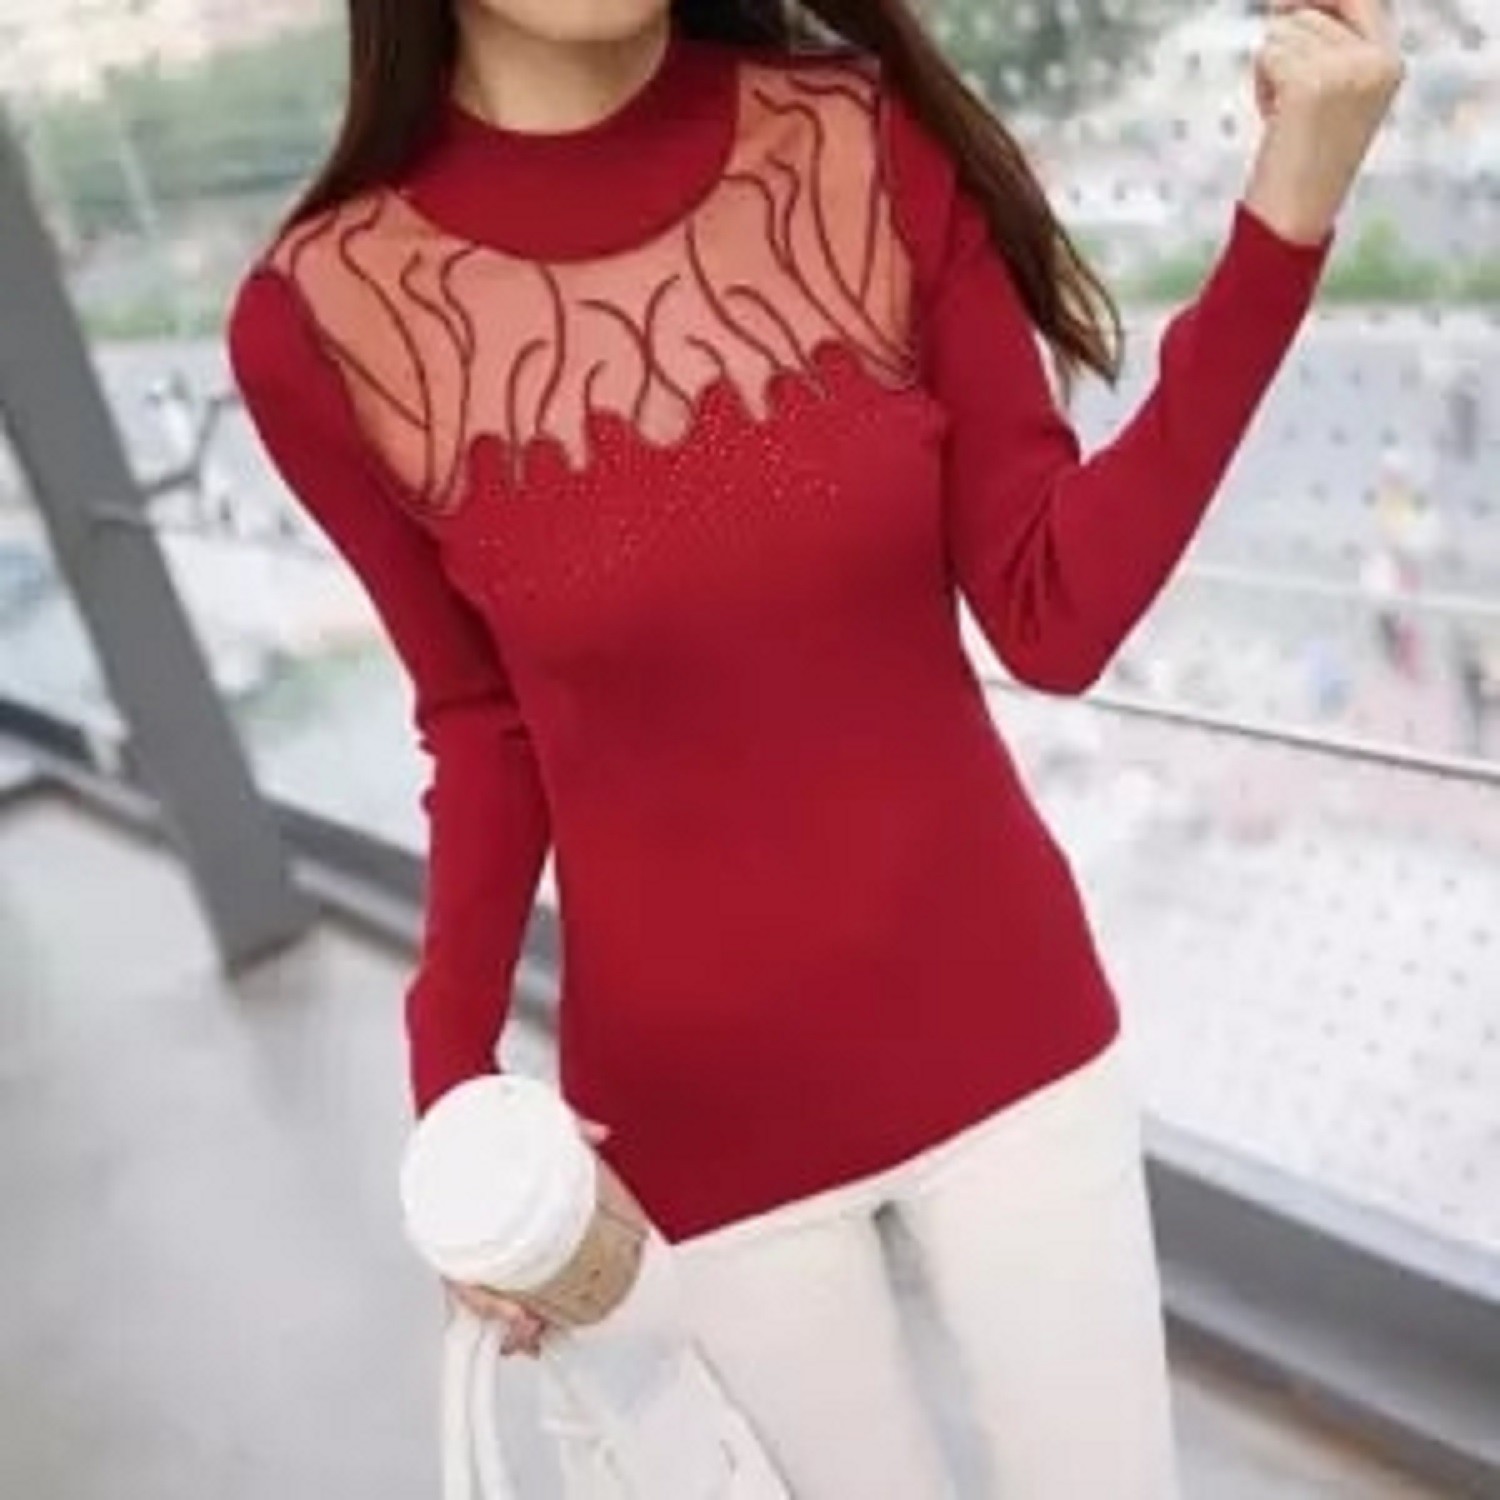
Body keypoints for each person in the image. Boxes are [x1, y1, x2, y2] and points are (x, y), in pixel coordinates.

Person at [226, 1, 1401, 1494]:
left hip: (1010, 1027)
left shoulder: (868, 137)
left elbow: (1054, 610)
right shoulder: (317, 321)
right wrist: (452, 1096)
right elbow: (482, 723)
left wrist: (1285, 219)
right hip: (696, 1117)